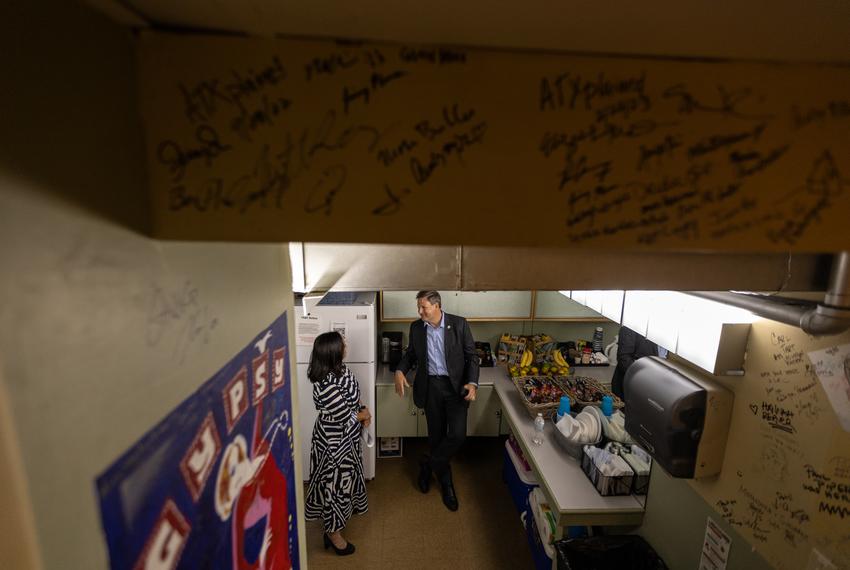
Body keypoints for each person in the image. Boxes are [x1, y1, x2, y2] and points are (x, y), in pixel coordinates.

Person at [394, 290, 479, 511]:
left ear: (437, 306)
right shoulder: (416, 328)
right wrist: (400, 370)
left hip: (455, 388)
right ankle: (447, 484)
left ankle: (428, 464)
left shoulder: (459, 325)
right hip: (430, 388)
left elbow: (472, 357)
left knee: (458, 435)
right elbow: (411, 354)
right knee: (436, 436)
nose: (420, 311)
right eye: (419, 307)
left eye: (424, 307)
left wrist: (472, 382)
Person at [304, 331, 371, 556]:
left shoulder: (342, 369)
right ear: (334, 351)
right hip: (333, 442)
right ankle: (333, 533)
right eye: (343, 343)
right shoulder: (323, 382)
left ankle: (335, 526)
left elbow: (354, 396)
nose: (346, 345)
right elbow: (345, 416)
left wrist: (363, 409)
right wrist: (363, 415)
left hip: (348, 439)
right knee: (333, 487)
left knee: (345, 483)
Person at [611, 325, 668, 400]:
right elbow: (623, 359)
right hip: (629, 389)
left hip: (657, 389)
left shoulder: (670, 332)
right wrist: (647, 378)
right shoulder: (632, 326)